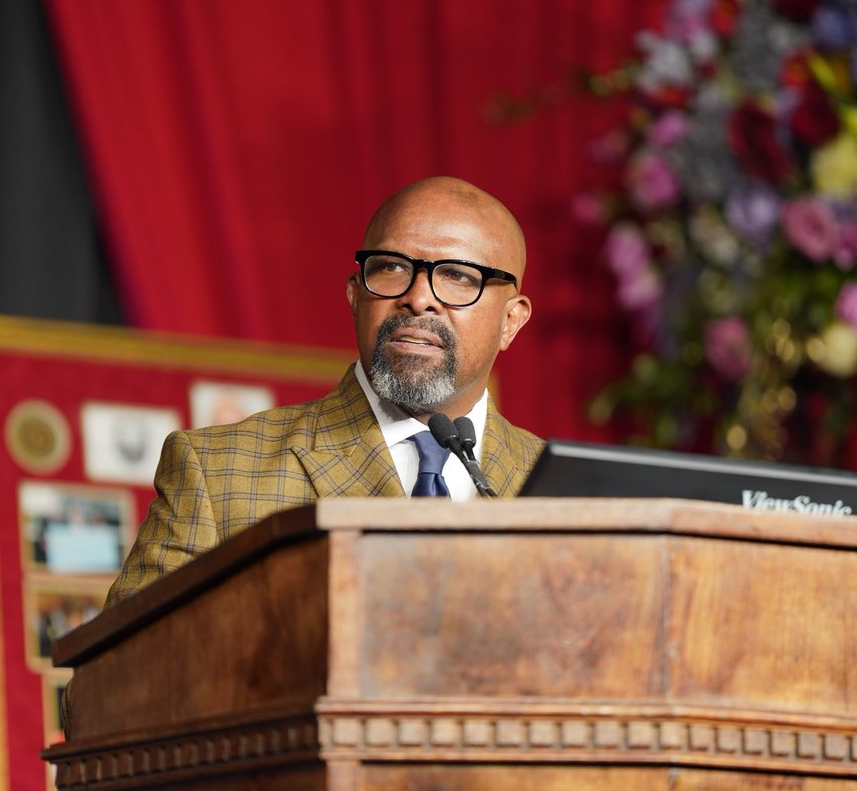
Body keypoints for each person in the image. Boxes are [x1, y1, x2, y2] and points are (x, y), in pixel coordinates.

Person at [104, 176, 543, 607]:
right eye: (391, 267)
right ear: (355, 295)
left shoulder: (563, 489)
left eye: (458, 276)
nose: (418, 297)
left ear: (511, 321)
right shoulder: (217, 472)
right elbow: (117, 676)